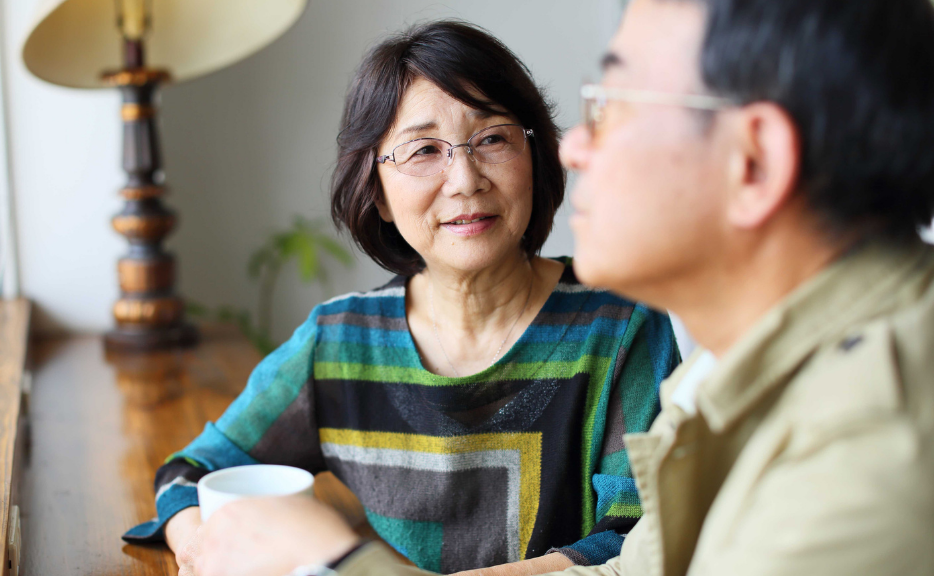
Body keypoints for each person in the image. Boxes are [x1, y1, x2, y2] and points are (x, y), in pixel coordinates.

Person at [185, 0, 934, 575]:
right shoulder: (730, 377)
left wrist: (336, 562)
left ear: (754, 162)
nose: (573, 147)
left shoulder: (870, 454)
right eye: (423, 151)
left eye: (616, 102)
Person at [122, 20, 680, 576]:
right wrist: (195, 548)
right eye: (423, 151)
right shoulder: (340, 342)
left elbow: (638, 544)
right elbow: (189, 472)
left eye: (491, 138)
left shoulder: (623, 325)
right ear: (378, 193)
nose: (464, 178)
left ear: (534, 157)